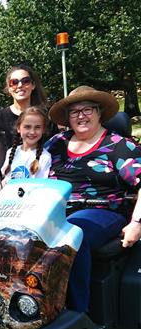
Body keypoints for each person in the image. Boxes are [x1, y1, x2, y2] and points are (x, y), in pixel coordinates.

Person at [46, 86, 141, 312]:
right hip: (54, 211)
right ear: (67, 118)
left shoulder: (119, 146)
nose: (81, 116)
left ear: (100, 112)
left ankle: (76, 313)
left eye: (87, 109)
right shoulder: (57, 142)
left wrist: (137, 224)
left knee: (72, 235)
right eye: (74, 111)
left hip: (103, 211)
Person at [0, 64, 50, 202]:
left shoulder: (45, 117)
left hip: (34, 191)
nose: (20, 85)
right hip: (4, 187)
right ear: (9, 88)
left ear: (33, 85)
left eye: (25, 81)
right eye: (14, 82)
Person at [0, 106, 52, 186]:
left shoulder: (45, 157)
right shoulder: (11, 152)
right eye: (27, 127)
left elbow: (40, 188)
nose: (32, 132)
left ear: (43, 130)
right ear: (18, 128)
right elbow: (5, 179)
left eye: (37, 127)